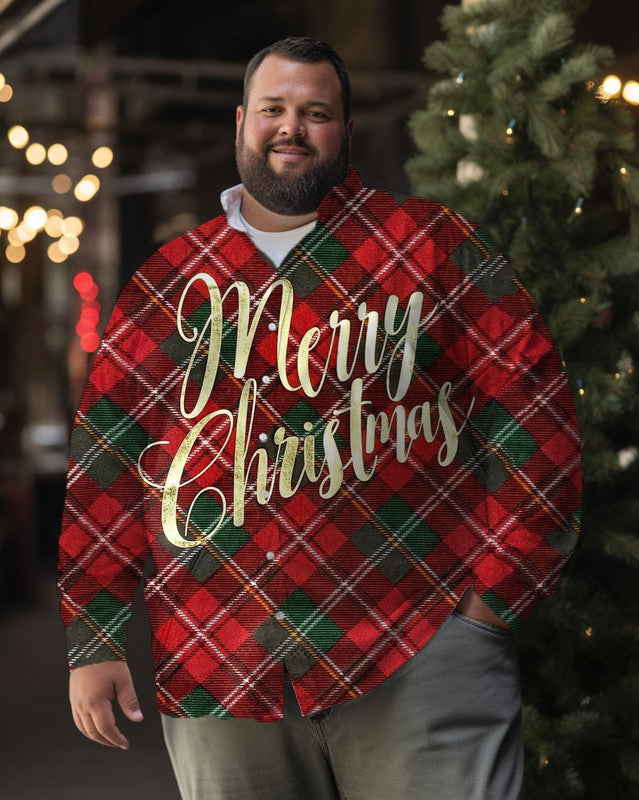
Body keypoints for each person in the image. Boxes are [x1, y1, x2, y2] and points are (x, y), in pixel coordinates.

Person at [59, 36, 582, 800]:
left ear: (346, 129)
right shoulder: (169, 284)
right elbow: (105, 464)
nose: (290, 128)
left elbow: (538, 424)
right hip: (217, 661)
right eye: (272, 109)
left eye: (315, 113)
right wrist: (94, 637)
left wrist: (490, 606)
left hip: (418, 650)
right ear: (241, 122)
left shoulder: (433, 248)